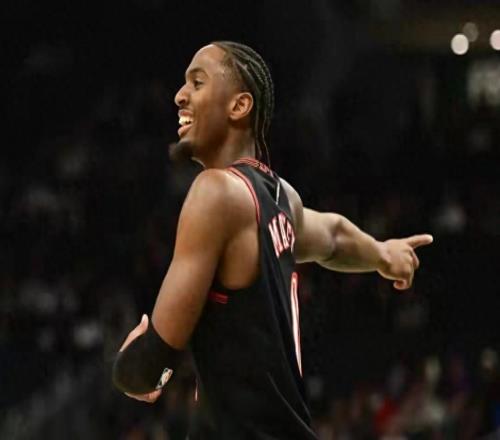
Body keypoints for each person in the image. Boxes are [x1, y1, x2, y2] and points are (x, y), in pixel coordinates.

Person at [112, 41, 433, 439]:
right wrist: (383, 253)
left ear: (239, 106)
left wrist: (131, 365)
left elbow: (149, 367)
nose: (179, 96)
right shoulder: (282, 198)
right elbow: (333, 236)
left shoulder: (215, 192)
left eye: (197, 82)